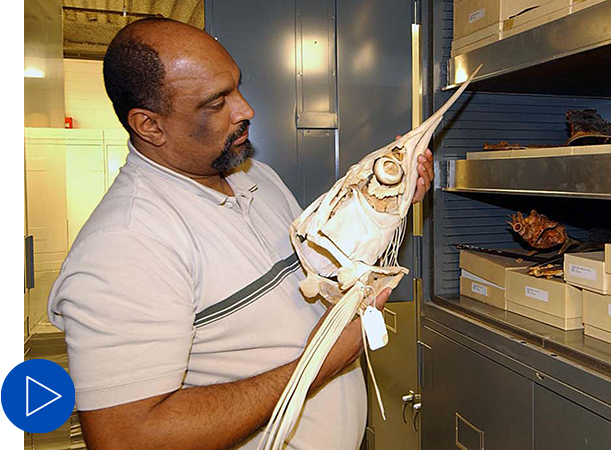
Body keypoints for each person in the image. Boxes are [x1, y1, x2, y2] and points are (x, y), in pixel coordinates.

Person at [47, 17, 434, 450]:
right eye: (217, 102)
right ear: (149, 126)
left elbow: (320, 270)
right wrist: (320, 362)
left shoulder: (254, 176)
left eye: (236, 86)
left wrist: (386, 202)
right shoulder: (127, 245)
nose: (245, 109)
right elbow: (127, 437)